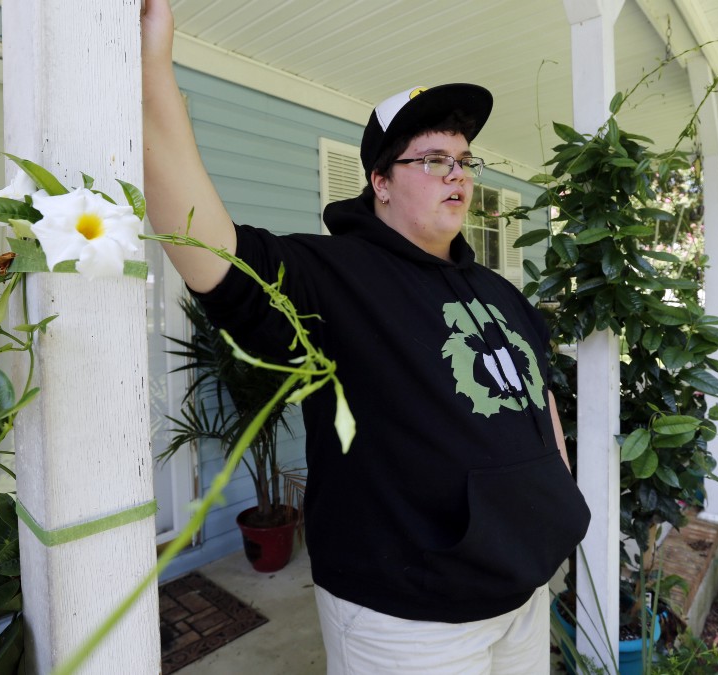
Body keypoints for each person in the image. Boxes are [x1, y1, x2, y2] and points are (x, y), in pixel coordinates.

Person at [142, 2, 590, 672]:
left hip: (521, 594)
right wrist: (152, 71)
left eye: (465, 160)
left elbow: (539, 402)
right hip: (408, 616)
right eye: (433, 158)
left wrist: (556, 502)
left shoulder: (500, 293)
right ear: (380, 181)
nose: (458, 175)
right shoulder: (336, 276)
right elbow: (214, 254)